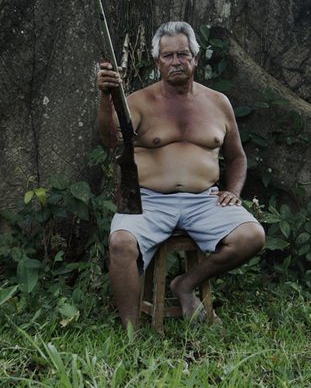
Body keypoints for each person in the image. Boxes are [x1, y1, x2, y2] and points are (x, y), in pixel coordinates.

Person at [96, 21, 266, 330]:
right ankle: (130, 333)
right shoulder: (138, 101)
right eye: (168, 55)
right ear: (158, 61)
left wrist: (234, 190)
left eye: (183, 54)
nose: (176, 61)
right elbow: (110, 139)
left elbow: (237, 156)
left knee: (252, 236)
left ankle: (185, 284)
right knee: (120, 242)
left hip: (204, 201)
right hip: (149, 200)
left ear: (196, 59)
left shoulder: (218, 103)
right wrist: (107, 97)